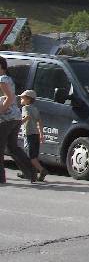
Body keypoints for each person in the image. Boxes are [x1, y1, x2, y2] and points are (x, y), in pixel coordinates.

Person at [0, 55, 36, 184]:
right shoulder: (8, 79)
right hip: (15, 116)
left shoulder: (1, 80)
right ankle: (30, 172)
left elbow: (9, 98)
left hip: (5, 118)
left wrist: (1, 111)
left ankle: (1, 177)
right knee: (13, 147)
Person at [18, 90, 47, 182]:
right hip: (36, 134)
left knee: (30, 156)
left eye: (22, 97)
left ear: (28, 99)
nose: (20, 99)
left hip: (29, 134)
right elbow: (40, 121)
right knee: (33, 155)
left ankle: (42, 170)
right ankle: (27, 172)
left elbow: (26, 117)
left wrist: (18, 124)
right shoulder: (35, 109)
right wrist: (41, 134)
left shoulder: (25, 108)